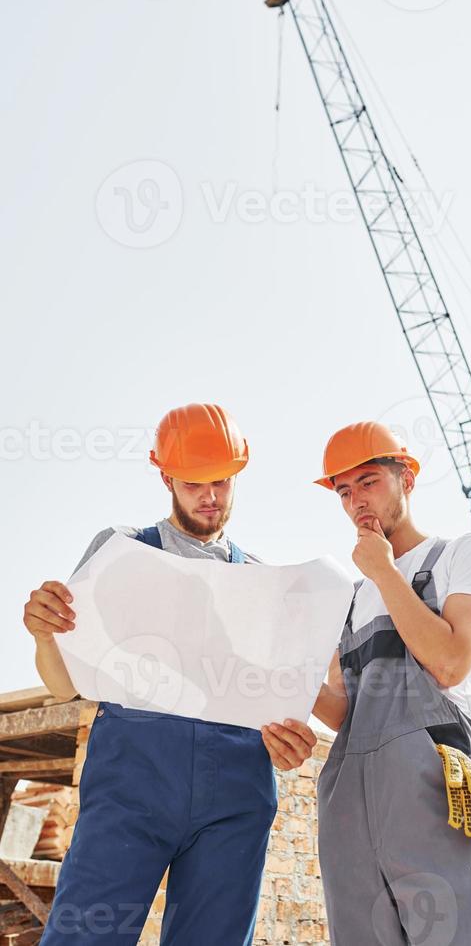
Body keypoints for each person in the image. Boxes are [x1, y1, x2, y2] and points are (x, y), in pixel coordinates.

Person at [23, 403, 315, 946]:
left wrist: (290, 743)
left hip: (236, 792)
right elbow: (65, 685)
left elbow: (284, 707)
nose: (210, 497)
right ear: (165, 477)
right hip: (133, 783)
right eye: (194, 483)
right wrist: (43, 633)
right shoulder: (121, 552)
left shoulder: (263, 584)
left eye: (222, 482)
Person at [263, 420, 471, 946]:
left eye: (369, 482)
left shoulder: (462, 555)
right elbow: (345, 714)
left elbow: (450, 662)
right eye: (344, 492)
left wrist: (385, 573)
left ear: (407, 480)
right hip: (350, 804)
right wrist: (283, 674)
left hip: (433, 795)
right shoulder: (344, 598)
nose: (356, 503)